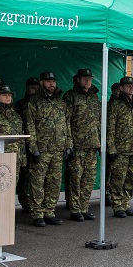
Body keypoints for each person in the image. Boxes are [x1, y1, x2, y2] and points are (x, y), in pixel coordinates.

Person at [23, 71, 73, 227]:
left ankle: (49, 211)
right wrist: (33, 147)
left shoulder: (61, 102)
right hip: (42, 149)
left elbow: (67, 124)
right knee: (38, 182)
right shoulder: (34, 102)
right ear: (42, 83)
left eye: (53, 81)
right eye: (48, 81)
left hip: (58, 149)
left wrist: (68, 144)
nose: (52, 84)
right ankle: (38, 213)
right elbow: (29, 125)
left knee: (54, 182)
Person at [62, 68, 101, 221]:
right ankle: (75, 209)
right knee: (75, 178)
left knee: (89, 178)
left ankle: (84, 207)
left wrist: (99, 142)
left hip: (92, 144)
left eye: (89, 78)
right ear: (77, 79)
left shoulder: (94, 97)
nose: (87, 81)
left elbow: (98, 120)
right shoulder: (70, 97)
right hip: (77, 144)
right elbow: (66, 122)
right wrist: (69, 143)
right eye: (84, 78)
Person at [106, 76, 133, 218]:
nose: (131, 88)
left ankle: (126, 203)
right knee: (118, 179)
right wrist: (111, 148)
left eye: (132, 85)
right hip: (120, 149)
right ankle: (117, 205)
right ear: (121, 88)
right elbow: (110, 128)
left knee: (131, 179)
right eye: (127, 86)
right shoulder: (115, 105)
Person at [16, 77, 40, 214]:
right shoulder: (21, 104)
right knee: (24, 176)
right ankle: (25, 201)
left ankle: (36, 202)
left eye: (37, 87)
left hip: (38, 144)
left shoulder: (41, 103)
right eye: (32, 87)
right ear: (27, 88)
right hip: (24, 144)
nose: (35, 90)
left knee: (36, 176)